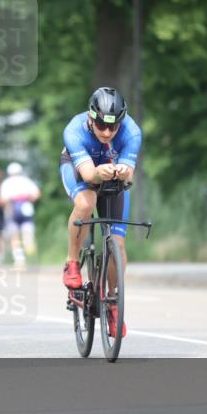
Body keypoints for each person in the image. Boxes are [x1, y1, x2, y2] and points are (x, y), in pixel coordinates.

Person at [60, 87, 142, 338]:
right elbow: (88, 175)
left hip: (111, 175)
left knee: (117, 242)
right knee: (86, 203)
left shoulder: (132, 132)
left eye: (113, 128)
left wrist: (123, 171)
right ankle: (72, 263)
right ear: (90, 116)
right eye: (100, 126)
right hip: (78, 170)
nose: (107, 132)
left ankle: (114, 302)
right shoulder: (74, 131)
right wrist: (100, 171)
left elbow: (130, 171)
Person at [0, 162, 41, 270]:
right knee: (28, 234)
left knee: (15, 236)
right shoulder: (26, 181)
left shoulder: (7, 183)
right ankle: (32, 257)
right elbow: (37, 194)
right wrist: (27, 199)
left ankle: (20, 260)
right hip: (26, 208)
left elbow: (4, 200)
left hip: (13, 209)